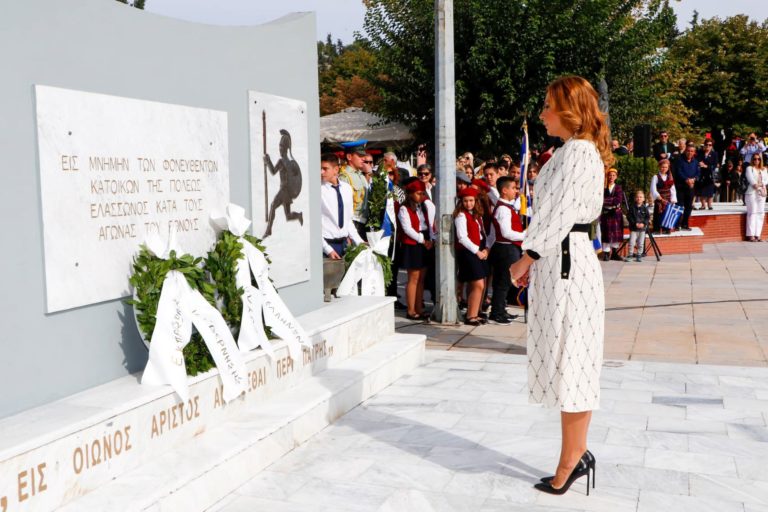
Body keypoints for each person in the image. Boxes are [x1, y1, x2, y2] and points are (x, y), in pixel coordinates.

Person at [509, 75, 609, 496]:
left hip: (567, 263)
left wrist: (525, 258)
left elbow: (560, 214)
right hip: (562, 261)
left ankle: (572, 459)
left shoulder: (579, 154)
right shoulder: (571, 152)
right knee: (571, 358)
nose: (543, 114)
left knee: (573, 361)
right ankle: (577, 453)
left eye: (548, 106)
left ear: (569, 111)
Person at [397, 178, 435, 320]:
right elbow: (407, 229)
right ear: (411, 193)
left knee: (421, 278)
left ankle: (419, 307)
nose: (422, 196)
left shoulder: (423, 206)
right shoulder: (404, 208)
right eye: (419, 193)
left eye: (423, 193)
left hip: (424, 239)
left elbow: (429, 224)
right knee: (413, 278)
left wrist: (430, 239)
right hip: (413, 243)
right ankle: (411, 309)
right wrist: (423, 240)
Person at [489, 176, 524, 324]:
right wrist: (525, 235)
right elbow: (506, 232)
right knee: (503, 281)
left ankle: (500, 309)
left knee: (504, 281)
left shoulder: (507, 207)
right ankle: (497, 312)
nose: (515, 191)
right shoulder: (503, 209)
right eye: (513, 188)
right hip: (505, 248)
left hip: (508, 247)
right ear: (504, 190)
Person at [454, 187, 489, 326]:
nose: (469, 204)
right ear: (461, 202)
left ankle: (475, 312)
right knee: (477, 283)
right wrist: (477, 251)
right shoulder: (461, 215)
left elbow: (482, 234)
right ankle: (470, 316)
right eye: (466, 201)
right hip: (468, 252)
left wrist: (485, 249)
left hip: (478, 250)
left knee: (481, 283)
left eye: (471, 201)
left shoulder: (477, 215)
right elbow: (462, 237)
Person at [320, 153, 365, 258]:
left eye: (325, 169)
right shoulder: (318, 189)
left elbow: (348, 219)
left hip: (344, 245)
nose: (321, 172)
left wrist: (359, 241)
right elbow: (313, 225)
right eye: (320, 168)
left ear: (336, 170)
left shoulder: (347, 188)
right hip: (326, 244)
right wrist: (327, 249)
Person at [262, 129, 303, 238]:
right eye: (279, 147)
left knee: (273, 205)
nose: (279, 149)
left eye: (281, 147)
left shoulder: (282, 162)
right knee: (288, 216)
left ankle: (269, 230)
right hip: (288, 192)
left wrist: (268, 162)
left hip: (284, 190)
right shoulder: (291, 163)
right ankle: (298, 215)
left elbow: (273, 171)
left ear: (285, 149)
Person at [339, 141, 372, 239]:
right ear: (349, 157)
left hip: (363, 222)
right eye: (360, 156)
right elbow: (342, 205)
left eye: (363, 156)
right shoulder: (344, 176)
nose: (363, 159)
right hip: (353, 222)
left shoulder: (360, 175)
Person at [672, 143, 700, 230]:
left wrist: (694, 179)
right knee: (679, 206)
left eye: (692, 151)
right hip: (680, 187)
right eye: (688, 151)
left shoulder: (695, 162)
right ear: (685, 151)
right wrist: (686, 180)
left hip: (690, 187)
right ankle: (676, 224)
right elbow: (678, 172)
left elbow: (698, 173)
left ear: (694, 152)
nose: (690, 153)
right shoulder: (679, 160)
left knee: (688, 206)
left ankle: (685, 224)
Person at [600, 168, 624, 261]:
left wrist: (607, 201)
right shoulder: (604, 187)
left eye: (613, 175)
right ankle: (606, 253)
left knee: (615, 233)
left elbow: (618, 200)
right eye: (610, 175)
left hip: (615, 213)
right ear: (607, 176)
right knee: (606, 233)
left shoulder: (618, 187)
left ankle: (614, 253)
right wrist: (610, 201)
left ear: (616, 177)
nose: (611, 177)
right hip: (606, 213)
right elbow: (601, 200)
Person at [650, 158, 677, 234]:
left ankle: (666, 229)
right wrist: (660, 198)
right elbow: (653, 189)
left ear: (668, 168)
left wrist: (673, 199)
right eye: (662, 167)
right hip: (659, 199)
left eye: (665, 167)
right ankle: (657, 229)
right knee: (658, 213)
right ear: (659, 167)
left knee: (667, 213)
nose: (664, 169)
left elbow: (673, 189)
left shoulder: (670, 177)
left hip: (668, 199)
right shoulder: (655, 177)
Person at [745, 153, 767, 242]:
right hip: (752, 193)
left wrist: (761, 185)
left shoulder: (764, 169)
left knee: (761, 213)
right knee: (752, 213)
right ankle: (751, 235)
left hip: (762, 193)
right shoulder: (749, 168)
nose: (756, 161)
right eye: (755, 159)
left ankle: (758, 234)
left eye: (758, 159)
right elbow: (751, 181)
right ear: (752, 160)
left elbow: (766, 180)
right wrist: (758, 186)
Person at [625, 190, 650, 262]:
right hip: (633, 229)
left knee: (640, 243)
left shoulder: (645, 208)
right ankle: (630, 255)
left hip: (642, 229)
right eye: (637, 197)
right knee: (631, 242)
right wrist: (634, 223)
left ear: (644, 199)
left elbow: (647, 217)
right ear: (635, 198)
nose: (639, 198)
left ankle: (639, 255)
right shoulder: (632, 207)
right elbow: (629, 216)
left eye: (641, 197)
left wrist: (643, 224)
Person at [696, 138, 718, 210]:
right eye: (706, 144)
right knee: (702, 191)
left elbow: (714, 165)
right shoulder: (700, 152)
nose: (708, 146)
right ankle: (703, 205)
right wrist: (699, 163)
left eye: (710, 145)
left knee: (710, 190)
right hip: (701, 174)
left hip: (710, 174)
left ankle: (710, 205)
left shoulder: (714, 154)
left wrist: (706, 166)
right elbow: (697, 160)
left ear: (712, 146)